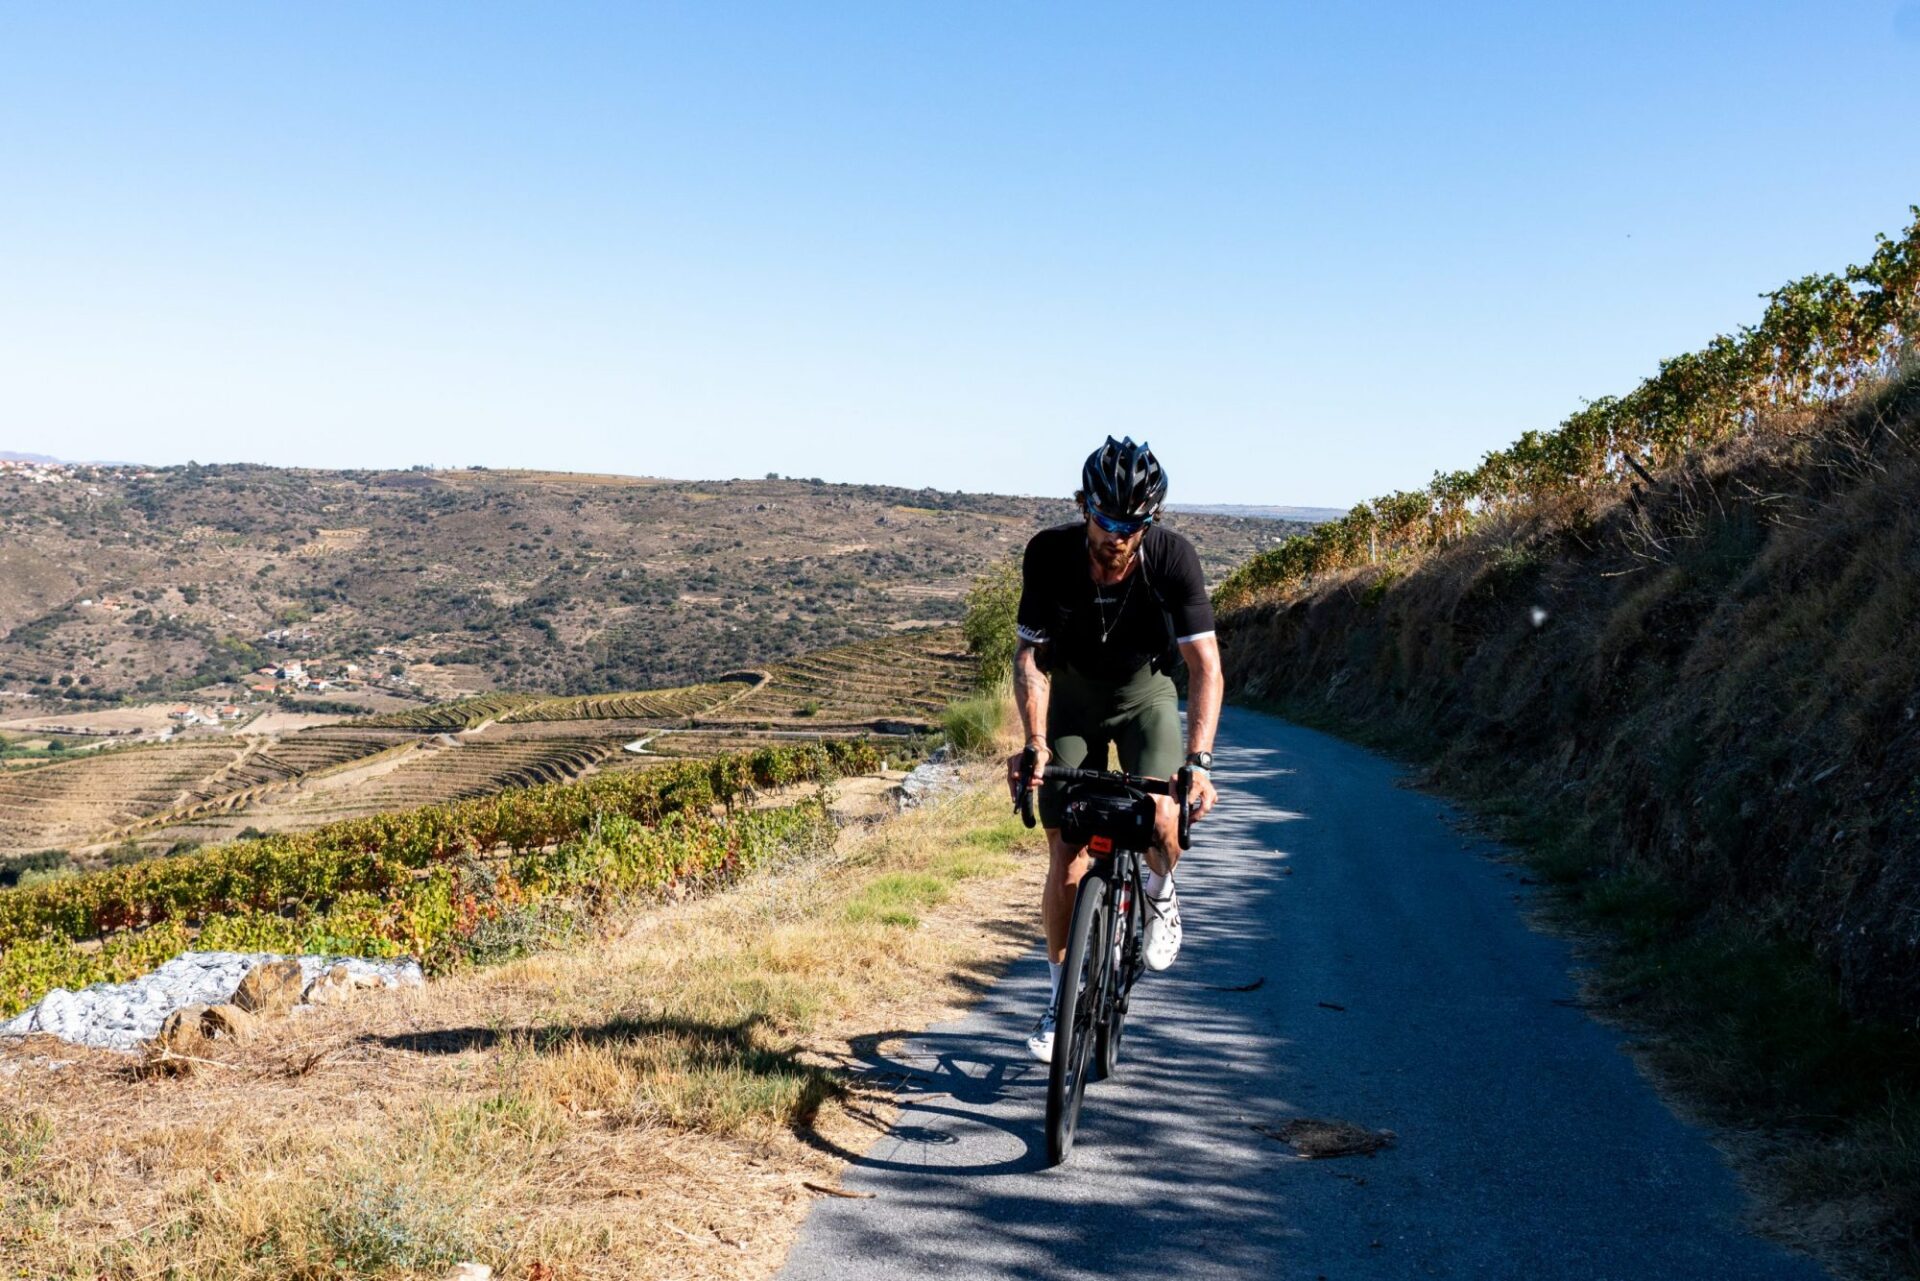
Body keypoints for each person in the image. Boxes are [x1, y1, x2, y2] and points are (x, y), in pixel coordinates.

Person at [1005, 436, 1223, 1062]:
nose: (1118, 537)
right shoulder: (1050, 555)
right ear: (1085, 507)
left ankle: (1160, 892)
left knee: (1163, 818)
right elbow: (1029, 659)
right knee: (1066, 851)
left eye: (1132, 525)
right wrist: (1035, 744)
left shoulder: (1173, 559)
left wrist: (1198, 763)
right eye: (1106, 521)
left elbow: (1205, 667)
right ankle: (1059, 1000)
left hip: (1143, 693)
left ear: (1150, 521)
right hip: (1073, 694)